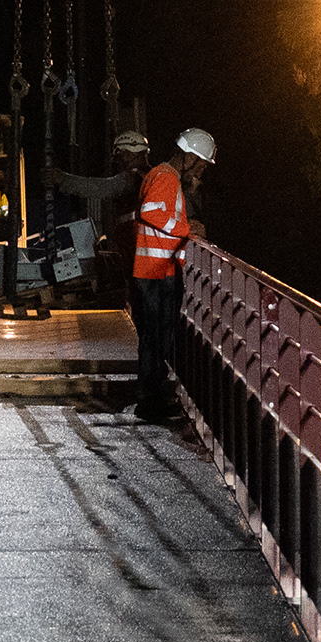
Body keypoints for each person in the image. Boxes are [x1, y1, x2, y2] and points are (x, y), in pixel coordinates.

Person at [127, 127, 213, 423]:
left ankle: (152, 397)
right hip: (156, 271)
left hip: (155, 268)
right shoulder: (166, 177)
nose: (201, 169)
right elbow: (151, 212)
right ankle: (149, 402)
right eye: (200, 163)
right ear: (189, 156)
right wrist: (188, 230)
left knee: (155, 338)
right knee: (156, 339)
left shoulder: (163, 175)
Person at [46, 128, 155, 300]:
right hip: (141, 244)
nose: (117, 162)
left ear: (127, 153)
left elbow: (100, 187)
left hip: (137, 244)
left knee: (140, 292)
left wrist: (63, 179)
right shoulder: (151, 176)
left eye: (118, 156)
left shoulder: (131, 178)